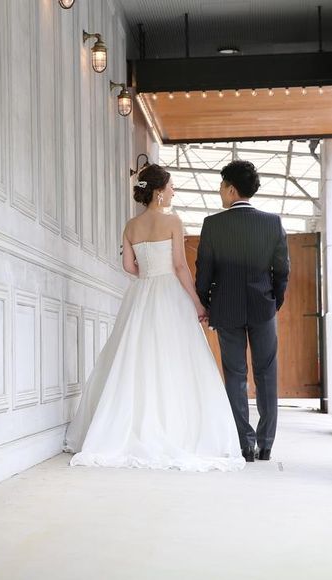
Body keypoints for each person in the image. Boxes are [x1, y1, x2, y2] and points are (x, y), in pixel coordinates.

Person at [64, 164, 245, 472]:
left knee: (136, 358)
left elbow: (128, 267)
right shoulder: (172, 221)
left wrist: (147, 276)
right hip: (170, 293)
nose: (174, 191)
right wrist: (197, 303)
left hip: (142, 293)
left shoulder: (131, 225)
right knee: (175, 359)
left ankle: (128, 427)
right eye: (172, 187)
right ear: (160, 192)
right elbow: (180, 267)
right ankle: (175, 428)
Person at [195, 160, 290, 462]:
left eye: (222, 186)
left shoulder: (213, 224)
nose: (220, 191)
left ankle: (244, 445)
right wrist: (274, 300)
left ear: (232, 189)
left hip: (227, 308)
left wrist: (206, 302)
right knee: (266, 374)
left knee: (235, 375)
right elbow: (282, 270)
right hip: (263, 307)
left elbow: (204, 271)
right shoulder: (272, 223)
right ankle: (266, 444)